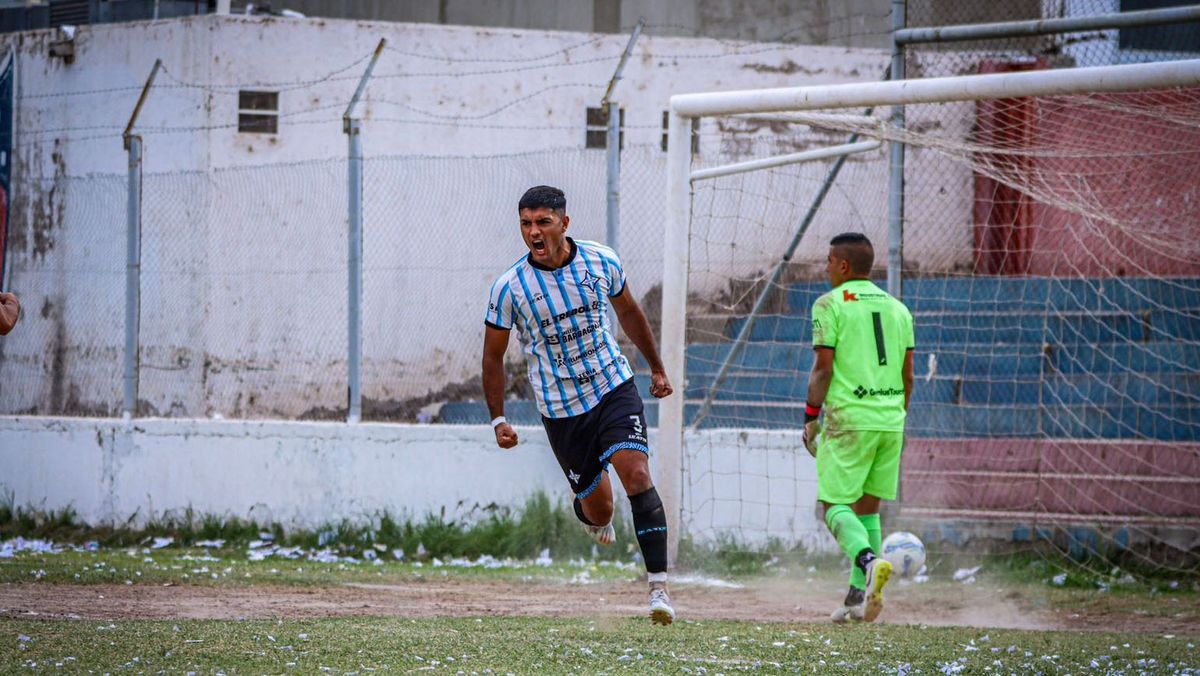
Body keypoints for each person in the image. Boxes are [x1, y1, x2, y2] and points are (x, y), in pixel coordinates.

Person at [482, 185, 677, 625]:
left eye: (543, 222)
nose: (534, 231)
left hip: (612, 385)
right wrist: (498, 419)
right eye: (526, 224)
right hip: (562, 409)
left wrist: (657, 368)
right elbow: (492, 357)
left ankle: (658, 590)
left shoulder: (600, 260)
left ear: (564, 224)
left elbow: (628, 313)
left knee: (638, 473)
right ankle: (588, 511)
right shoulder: (509, 287)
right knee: (600, 509)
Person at [803, 232, 914, 624]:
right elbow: (907, 375)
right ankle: (857, 598)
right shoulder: (899, 309)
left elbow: (824, 368)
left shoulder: (829, 304)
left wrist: (811, 416)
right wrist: (894, 417)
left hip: (849, 418)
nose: (826, 268)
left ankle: (868, 562)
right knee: (868, 508)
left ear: (844, 265)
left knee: (834, 505)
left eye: (829, 261)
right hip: (891, 419)